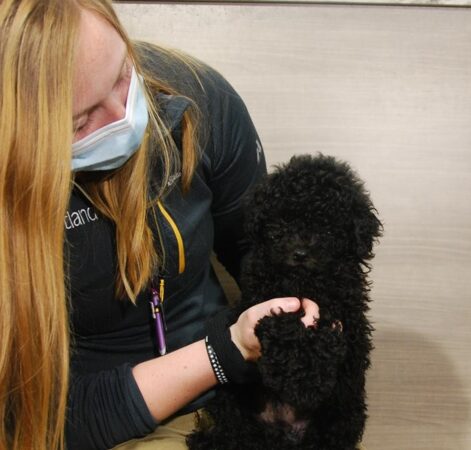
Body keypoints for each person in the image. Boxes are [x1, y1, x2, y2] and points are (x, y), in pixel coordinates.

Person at [0, 1, 319, 449]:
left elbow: (261, 250)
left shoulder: (199, 98)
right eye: (81, 121)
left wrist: (298, 321)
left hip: (224, 388)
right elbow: (29, 418)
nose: (125, 114)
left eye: (122, 74)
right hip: (87, 417)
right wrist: (221, 355)